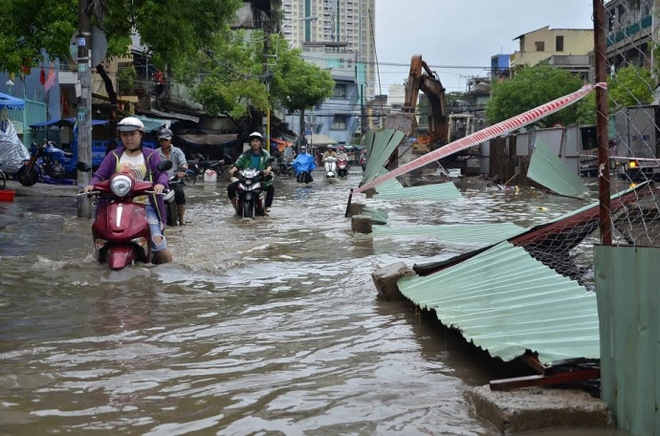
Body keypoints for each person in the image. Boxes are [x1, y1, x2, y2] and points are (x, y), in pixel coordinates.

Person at [83, 116, 172, 264]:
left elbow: (162, 173)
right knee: (99, 246)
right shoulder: (114, 155)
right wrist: (91, 185)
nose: (129, 138)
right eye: (125, 135)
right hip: (115, 205)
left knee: (159, 245)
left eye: (133, 134)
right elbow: (99, 174)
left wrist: (160, 184)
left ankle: (170, 278)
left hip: (145, 206)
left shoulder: (151, 155)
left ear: (141, 134)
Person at [227, 132, 274, 213]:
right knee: (230, 188)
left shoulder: (265, 154)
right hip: (246, 179)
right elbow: (238, 164)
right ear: (250, 143)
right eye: (253, 141)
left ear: (260, 143)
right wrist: (232, 170)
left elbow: (270, 164)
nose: (255, 143)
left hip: (260, 179)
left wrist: (268, 170)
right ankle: (236, 208)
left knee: (271, 188)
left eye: (257, 141)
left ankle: (265, 209)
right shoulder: (245, 154)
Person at [156, 127, 188, 225]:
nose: (164, 142)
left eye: (166, 140)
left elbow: (184, 164)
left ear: (170, 140)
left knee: (180, 193)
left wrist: (182, 170)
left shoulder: (177, 151)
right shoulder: (155, 153)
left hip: (175, 181)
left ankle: (182, 220)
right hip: (161, 182)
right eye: (161, 140)